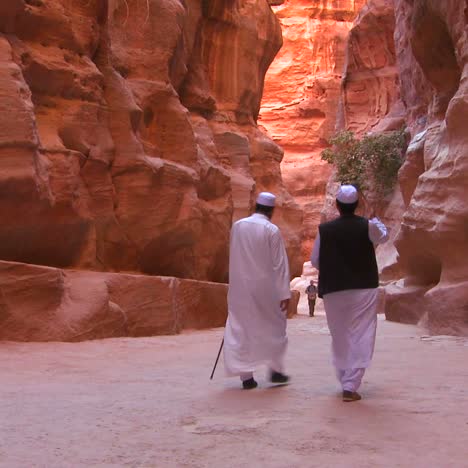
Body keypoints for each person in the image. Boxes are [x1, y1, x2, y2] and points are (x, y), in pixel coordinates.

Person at [311, 185, 388, 402]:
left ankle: (344, 376)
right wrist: (376, 221)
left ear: (337, 205)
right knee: (362, 331)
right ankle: (351, 383)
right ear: (357, 205)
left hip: (335, 288)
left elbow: (316, 260)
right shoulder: (368, 226)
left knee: (340, 333)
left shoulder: (324, 230)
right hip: (364, 287)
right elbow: (383, 237)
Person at [224, 192, 291, 389]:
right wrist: (284, 293)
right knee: (275, 327)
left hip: (240, 288)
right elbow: (280, 264)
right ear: (271, 210)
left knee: (240, 328)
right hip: (266, 289)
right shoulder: (271, 230)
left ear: (255, 205)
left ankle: (246, 378)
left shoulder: (238, 227)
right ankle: (276, 370)